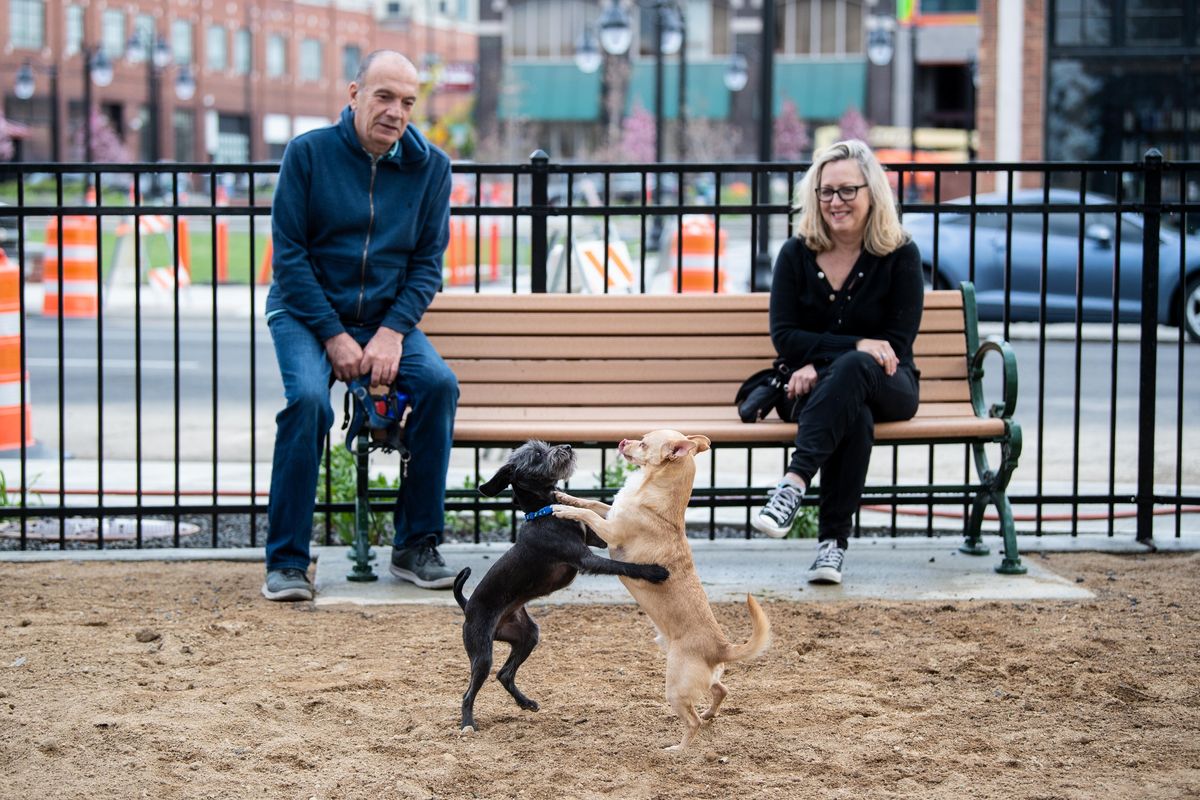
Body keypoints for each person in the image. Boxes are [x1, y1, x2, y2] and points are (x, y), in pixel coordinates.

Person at [261, 50, 459, 601]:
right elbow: (290, 258)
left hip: (383, 322)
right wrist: (334, 335)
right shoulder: (308, 155)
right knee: (307, 403)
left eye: (407, 102)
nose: (396, 112)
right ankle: (288, 562)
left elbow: (426, 267)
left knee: (440, 386)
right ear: (354, 94)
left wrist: (393, 332)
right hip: (306, 312)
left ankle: (415, 545)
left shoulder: (431, 168)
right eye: (384, 96)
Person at [750, 140, 923, 586]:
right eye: (826, 192)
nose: (835, 202)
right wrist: (854, 346)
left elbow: (894, 346)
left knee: (857, 370)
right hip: (806, 390)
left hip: (889, 383)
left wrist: (826, 360)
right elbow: (785, 337)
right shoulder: (796, 254)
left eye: (847, 191)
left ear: (872, 192)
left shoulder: (900, 254)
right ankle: (832, 547)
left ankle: (792, 484)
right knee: (854, 413)